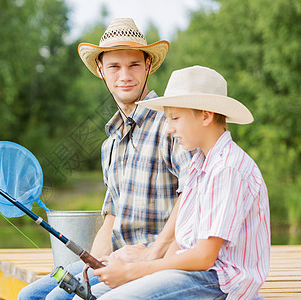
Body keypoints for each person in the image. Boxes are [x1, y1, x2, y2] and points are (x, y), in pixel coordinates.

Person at [18, 18, 192, 300]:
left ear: (148, 66)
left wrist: (153, 252)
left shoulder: (170, 125)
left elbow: (193, 193)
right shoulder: (109, 143)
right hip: (116, 259)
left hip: (156, 262)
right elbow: (110, 219)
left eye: (134, 65)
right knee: (30, 295)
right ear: (100, 70)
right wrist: (90, 266)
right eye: (114, 66)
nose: (125, 75)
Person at [88, 66, 271, 299]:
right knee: (86, 295)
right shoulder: (199, 164)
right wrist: (138, 270)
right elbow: (182, 241)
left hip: (218, 281)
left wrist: (132, 272)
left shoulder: (227, 168)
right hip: (190, 271)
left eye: (175, 118)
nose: (170, 128)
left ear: (206, 115)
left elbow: (204, 257)